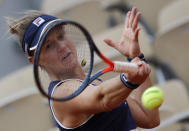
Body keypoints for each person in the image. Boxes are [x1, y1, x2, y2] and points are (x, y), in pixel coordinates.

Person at [8, 7, 160, 131]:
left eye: (61, 36)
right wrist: (128, 79)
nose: (62, 46)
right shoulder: (61, 96)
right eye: (49, 46)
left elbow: (149, 118)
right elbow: (103, 98)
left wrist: (135, 58)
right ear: (35, 61)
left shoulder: (97, 83)